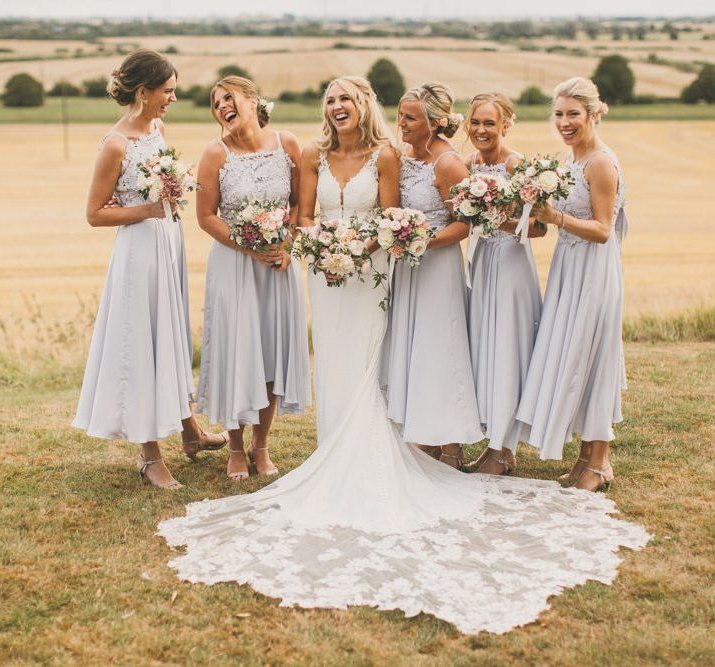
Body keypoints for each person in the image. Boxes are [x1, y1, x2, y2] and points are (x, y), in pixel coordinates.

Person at [158, 76, 648, 635]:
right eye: (330, 99)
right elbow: (305, 213)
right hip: (329, 272)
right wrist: (322, 244)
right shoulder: (317, 154)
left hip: (376, 271)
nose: (338, 107)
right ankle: (354, 448)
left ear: (367, 107)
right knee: (347, 361)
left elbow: (395, 220)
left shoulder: (391, 156)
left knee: (380, 356)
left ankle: (532, 450)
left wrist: (387, 243)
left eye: (348, 99)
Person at [72, 49, 226, 490]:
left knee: (170, 336)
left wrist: (168, 199)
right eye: (168, 91)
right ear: (144, 92)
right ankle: (150, 455)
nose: (173, 98)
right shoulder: (114, 144)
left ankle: (189, 430)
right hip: (138, 252)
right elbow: (95, 214)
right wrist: (147, 208)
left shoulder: (158, 128)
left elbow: (163, 188)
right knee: (142, 341)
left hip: (167, 243)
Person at [194, 76, 311, 481]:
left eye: (229, 98)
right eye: (215, 103)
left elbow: (299, 203)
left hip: (277, 265)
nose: (222, 106)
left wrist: (288, 244)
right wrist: (250, 247)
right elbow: (206, 217)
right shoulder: (215, 154)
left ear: (253, 101)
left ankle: (262, 447)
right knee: (236, 352)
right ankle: (236, 448)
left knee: (270, 356)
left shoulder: (288, 143)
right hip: (235, 265)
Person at [516, 77, 628, 492]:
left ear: (594, 114)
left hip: (594, 271)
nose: (564, 122)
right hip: (569, 267)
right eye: (559, 114)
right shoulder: (567, 163)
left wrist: (554, 217)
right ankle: (585, 459)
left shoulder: (599, 162)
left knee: (594, 356)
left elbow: (602, 230)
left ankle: (599, 464)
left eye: (573, 114)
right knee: (574, 352)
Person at [381, 82, 483, 468]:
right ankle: (424, 433)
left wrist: (424, 241)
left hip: (438, 266)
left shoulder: (448, 164)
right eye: (401, 115)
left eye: (409, 117)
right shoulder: (405, 157)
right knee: (416, 346)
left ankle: (451, 444)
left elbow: (464, 224)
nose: (401, 123)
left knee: (441, 347)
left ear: (435, 122)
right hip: (409, 267)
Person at [464, 93, 544, 476]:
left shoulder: (517, 166)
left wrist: (497, 220)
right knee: (486, 347)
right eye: (475, 122)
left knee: (507, 347)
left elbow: (541, 227)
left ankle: (504, 450)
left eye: (489, 123)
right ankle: (493, 444)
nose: (481, 130)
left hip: (511, 262)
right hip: (481, 261)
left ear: (506, 125)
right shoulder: (469, 164)